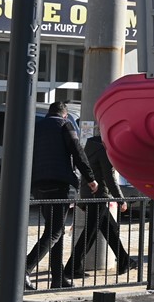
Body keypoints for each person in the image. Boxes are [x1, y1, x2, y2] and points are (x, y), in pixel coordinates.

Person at [23, 101, 90, 290]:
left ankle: (58, 278)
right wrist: (90, 178)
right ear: (65, 114)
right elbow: (77, 151)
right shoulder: (65, 125)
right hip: (58, 185)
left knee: (55, 230)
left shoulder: (36, 127)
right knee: (55, 231)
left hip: (38, 186)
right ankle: (24, 269)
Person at [64, 134, 138, 280]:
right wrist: (120, 200)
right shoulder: (103, 149)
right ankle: (72, 268)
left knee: (110, 229)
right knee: (89, 234)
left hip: (90, 194)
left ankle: (124, 261)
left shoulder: (90, 145)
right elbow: (109, 177)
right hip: (98, 196)